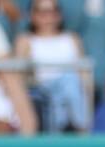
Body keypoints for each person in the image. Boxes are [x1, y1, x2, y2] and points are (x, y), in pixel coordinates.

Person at [16, 0, 92, 131]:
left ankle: (81, 128)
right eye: (42, 12)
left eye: (52, 11)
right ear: (32, 15)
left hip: (71, 90)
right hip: (41, 88)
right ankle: (74, 127)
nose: (48, 17)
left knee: (71, 82)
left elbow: (84, 74)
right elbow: (19, 75)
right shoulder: (26, 40)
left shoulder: (72, 38)